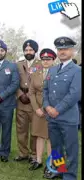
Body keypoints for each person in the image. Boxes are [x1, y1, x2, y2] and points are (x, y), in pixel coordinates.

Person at [43, 37, 81, 180]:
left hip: (67, 117)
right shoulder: (52, 70)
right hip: (52, 117)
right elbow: (45, 90)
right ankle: (59, 169)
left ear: (72, 50)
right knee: (56, 147)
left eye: (65, 49)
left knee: (71, 149)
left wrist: (57, 109)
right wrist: (46, 106)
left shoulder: (77, 71)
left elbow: (74, 94)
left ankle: (70, 175)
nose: (62, 51)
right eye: (59, 49)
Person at [28, 48, 56, 171]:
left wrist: (51, 108)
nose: (45, 61)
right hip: (38, 110)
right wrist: (36, 109)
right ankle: (38, 160)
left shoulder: (57, 72)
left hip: (52, 110)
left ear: (53, 60)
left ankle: (50, 163)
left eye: (48, 59)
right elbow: (31, 92)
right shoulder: (36, 72)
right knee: (39, 135)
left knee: (50, 136)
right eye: (43, 59)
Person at [14, 39, 41, 163]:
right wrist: (20, 94)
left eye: (30, 50)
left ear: (35, 51)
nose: (28, 52)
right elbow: (13, 81)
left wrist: (29, 96)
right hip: (21, 100)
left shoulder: (41, 64)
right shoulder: (18, 64)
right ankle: (22, 153)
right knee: (21, 129)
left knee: (34, 130)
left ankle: (34, 154)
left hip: (34, 102)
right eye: (26, 50)